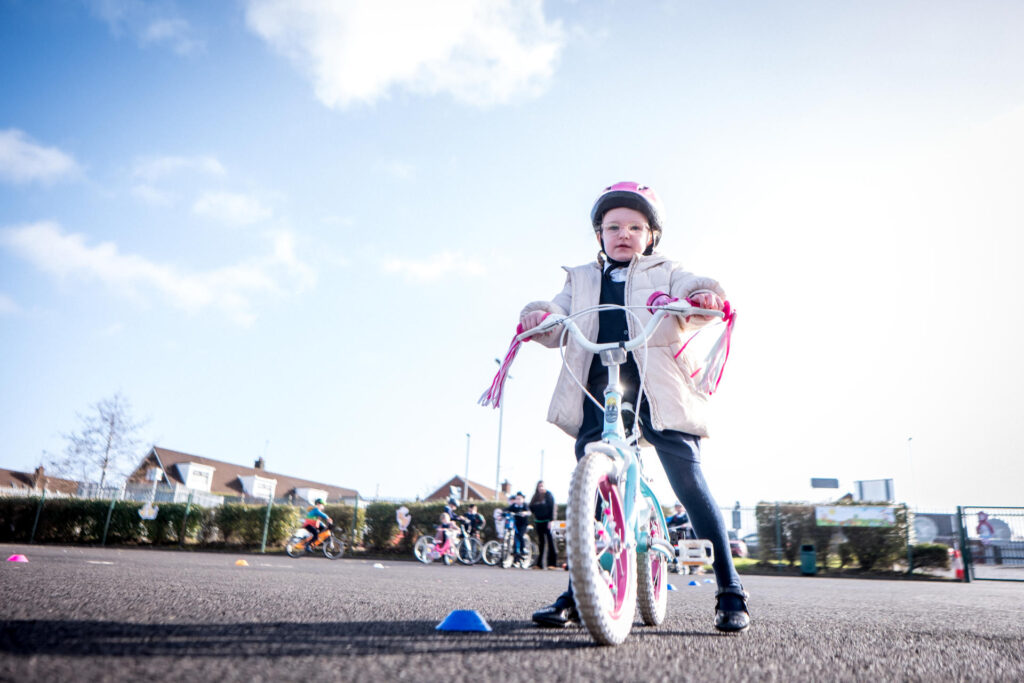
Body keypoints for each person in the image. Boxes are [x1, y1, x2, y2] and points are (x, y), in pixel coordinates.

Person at [518, 181, 749, 633]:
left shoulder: (664, 271)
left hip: (658, 386)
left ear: (651, 236)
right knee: (593, 489)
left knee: (689, 481)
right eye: (613, 226)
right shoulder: (582, 278)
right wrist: (537, 316)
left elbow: (692, 288)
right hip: (600, 386)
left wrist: (702, 296)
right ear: (599, 234)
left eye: (635, 227)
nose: (624, 234)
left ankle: (729, 590)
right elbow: (555, 314)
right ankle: (580, 590)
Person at [529, 481, 558, 570]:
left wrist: (551, 520)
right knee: (541, 543)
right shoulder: (535, 497)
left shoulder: (549, 495)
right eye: (539, 487)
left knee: (550, 542)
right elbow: (531, 507)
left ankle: (552, 564)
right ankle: (539, 564)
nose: (541, 488)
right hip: (539, 522)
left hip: (547, 522)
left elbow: (552, 508)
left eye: (542, 486)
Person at [506, 491, 531, 566]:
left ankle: (523, 548)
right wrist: (502, 512)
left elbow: (529, 512)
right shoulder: (514, 506)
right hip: (515, 523)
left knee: (520, 535)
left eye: (519, 499)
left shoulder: (525, 505)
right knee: (515, 539)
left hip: (523, 524)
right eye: (516, 499)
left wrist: (525, 513)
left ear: (523, 499)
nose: (518, 500)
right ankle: (516, 559)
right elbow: (507, 509)